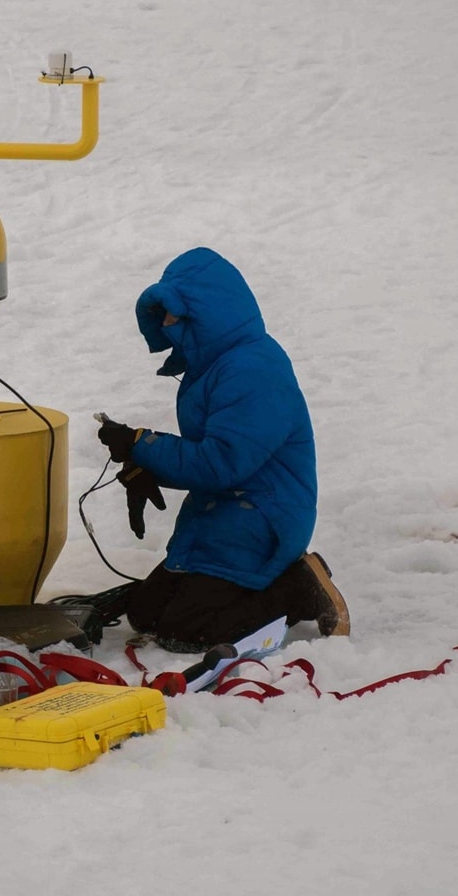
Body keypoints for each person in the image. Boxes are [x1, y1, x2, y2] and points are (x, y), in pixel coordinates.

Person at [96, 247, 349, 651]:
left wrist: (143, 445)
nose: (166, 323)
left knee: (188, 631)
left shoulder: (253, 369)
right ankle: (244, 588)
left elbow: (222, 462)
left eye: (173, 314)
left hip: (265, 513)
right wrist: (147, 466)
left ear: (207, 310)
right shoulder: (214, 365)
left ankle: (296, 587)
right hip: (224, 512)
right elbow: (211, 454)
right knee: (146, 615)